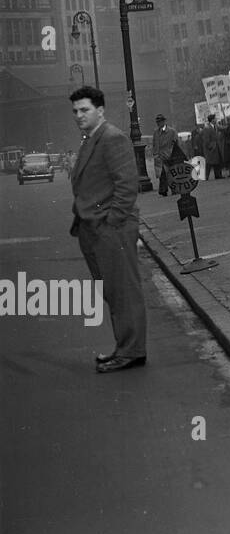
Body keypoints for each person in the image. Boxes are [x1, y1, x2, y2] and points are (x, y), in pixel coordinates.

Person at [69, 86, 147, 373]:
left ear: (100, 110)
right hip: (94, 228)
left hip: (111, 229)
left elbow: (127, 186)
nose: (79, 115)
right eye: (75, 111)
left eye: (84, 109)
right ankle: (126, 348)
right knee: (114, 292)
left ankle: (131, 351)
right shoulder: (91, 139)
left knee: (123, 291)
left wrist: (111, 224)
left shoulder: (112, 138)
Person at [151, 114, 178, 195]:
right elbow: (154, 144)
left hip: (169, 156)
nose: (158, 123)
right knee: (162, 174)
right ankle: (163, 190)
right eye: (157, 122)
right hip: (159, 157)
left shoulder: (172, 131)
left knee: (171, 174)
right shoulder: (156, 132)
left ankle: (174, 189)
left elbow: (176, 144)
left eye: (159, 122)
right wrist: (155, 154)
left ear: (164, 121)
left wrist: (173, 154)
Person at [201, 114, 224, 180]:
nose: (216, 119)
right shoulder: (207, 128)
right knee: (209, 163)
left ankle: (218, 175)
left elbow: (222, 128)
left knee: (217, 161)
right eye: (215, 118)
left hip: (216, 147)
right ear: (212, 120)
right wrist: (210, 146)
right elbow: (206, 140)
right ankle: (205, 176)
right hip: (210, 148)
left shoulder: (215, 126)